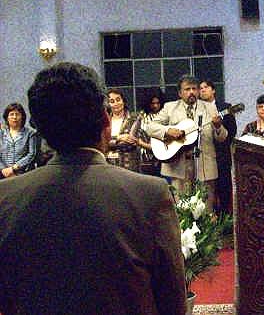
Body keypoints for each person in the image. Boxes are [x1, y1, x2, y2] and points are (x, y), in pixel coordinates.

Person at [0, 62, 186, 315]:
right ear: (105, 120)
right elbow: (172, 304)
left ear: (40, 128)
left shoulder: (6, 196)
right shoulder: (149, 194)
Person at [146, 75, 227, 211]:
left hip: (204, 167)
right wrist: (167, 130)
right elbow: (150, 127)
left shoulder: (210, 108)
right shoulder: (170, 107)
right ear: (180, 93)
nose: (191, 92)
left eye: (194, 89)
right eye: (187, 89)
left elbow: (222, 138)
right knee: (182, 211)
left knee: (205, 211)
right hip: (179, 167)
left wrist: (218, 127)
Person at [199, 79, 237, 214]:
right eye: (200, 88)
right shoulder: (198, 109)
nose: (202, 90)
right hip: (203, 156)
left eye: (206, 87)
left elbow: (232, 132)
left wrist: (218, 130)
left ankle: (225, 221)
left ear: (213, 90)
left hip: (221, 156)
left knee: (224, 189)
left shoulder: (225, 107)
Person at [106, 88, 141, 171]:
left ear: (123, 101)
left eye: (118, 100)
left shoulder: (134, 118)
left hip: (128, 165)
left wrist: (110, 142)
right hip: (108, 166)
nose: (116, 103)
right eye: (112, 101)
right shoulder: (105, 120)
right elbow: (102, 142)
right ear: (108, 104)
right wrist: (119, 138)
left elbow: (129, 143)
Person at [0, 102, 38, 179]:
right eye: (11, 114)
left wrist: (13, 168)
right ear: (7, 117)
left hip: (24, 174)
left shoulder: (30, 133)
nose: (14, 117)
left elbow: (32, 154)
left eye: (17, 114)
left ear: (22, 117)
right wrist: (4, 170)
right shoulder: (1, 133)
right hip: (3, 173)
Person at [138, 91, 166, 176]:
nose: (155, 106)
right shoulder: (142, 117)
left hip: (162, 156)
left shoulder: (165, 116)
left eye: (158, 103)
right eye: (152, 103)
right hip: (145, 159)